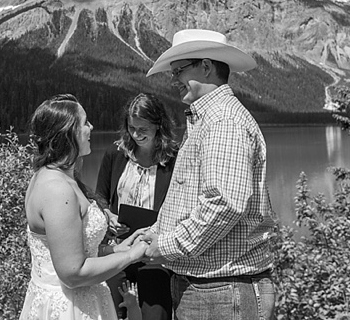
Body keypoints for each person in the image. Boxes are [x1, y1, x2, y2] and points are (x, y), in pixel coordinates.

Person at [140, 29, 278, 320]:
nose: (173, 79)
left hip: (222, 292)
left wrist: (164, 245)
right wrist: (156, 232)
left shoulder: (223, 122)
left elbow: (223, 204)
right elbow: (190, 196)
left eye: (179, 70)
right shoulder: (210, 120)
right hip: (212, 289)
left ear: (206, 66)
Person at [19, 94, 149, 320]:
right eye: (85, 122)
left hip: (81, 302)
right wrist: (132, 257)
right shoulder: (56, 189)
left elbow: (77, 249)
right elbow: (73, 273)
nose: (92, 127)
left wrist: (118, 249)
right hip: (69, 308)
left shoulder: (60, 177)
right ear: (67, 133)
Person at [96, 93, 178, 320]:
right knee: (113, 313)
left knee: (155, 313)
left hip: (154, 254)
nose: (136, 134)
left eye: (144, 128)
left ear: (159, 126)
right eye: (132, 128)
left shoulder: (174, 159)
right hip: (118, 248)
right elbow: (101, 197)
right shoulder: (116, 153)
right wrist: (108, 216)